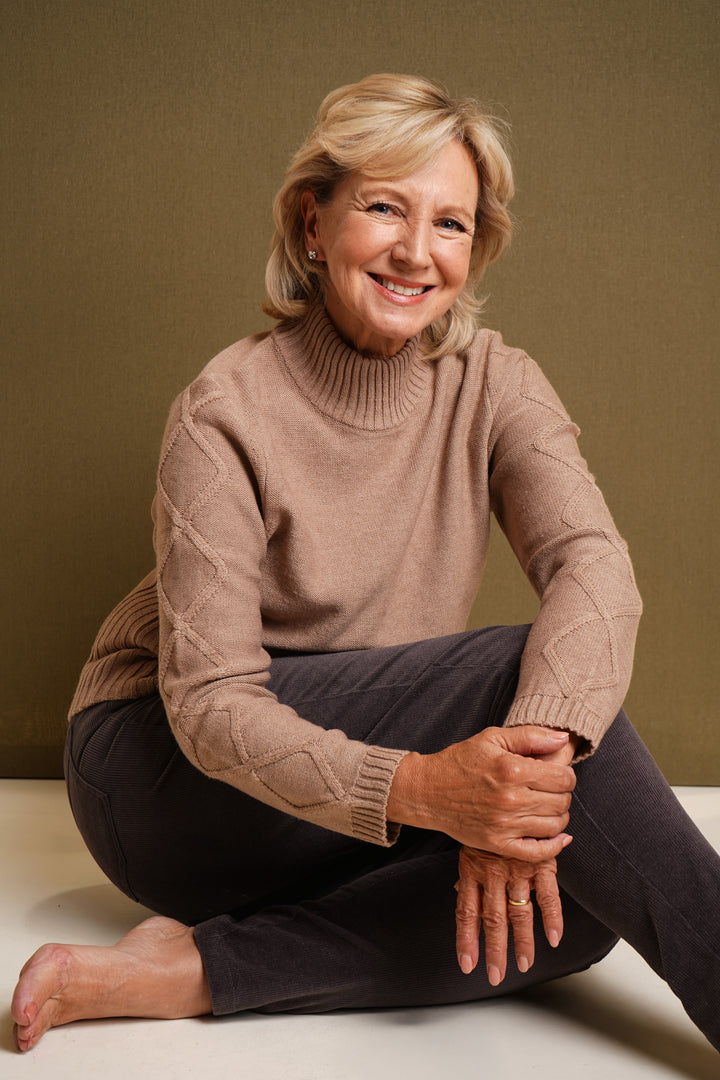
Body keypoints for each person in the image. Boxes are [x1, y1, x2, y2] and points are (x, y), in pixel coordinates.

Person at [12, 73, 720, 1054]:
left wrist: (526, 787)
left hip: (325, 807)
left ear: (475, 254)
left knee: (576, 886)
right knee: (512, 682)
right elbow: (212, 708)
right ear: (313, 223)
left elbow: (596, 572)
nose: (414, 251)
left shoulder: (495, 386)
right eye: (385, 207)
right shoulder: (225, 412)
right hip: (161, 780)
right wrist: (429, 794)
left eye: (450, 225)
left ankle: (191, 973)